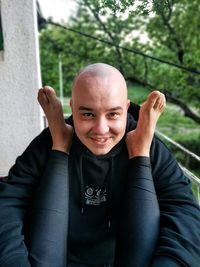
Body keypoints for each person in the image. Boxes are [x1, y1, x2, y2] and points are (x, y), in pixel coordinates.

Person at [0, 63, 199, 267]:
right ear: (72, 107)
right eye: (87, 114)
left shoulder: (152, 148)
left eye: (113, 114)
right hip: (60, 257)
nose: (101, 129)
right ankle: (61, 141)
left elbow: (184, 211)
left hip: (122, 258)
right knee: (56, 150)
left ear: (127, 108)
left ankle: (137, 152)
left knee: (143, 160)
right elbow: (8, 201)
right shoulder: (45, 144)